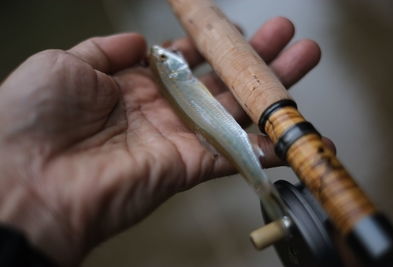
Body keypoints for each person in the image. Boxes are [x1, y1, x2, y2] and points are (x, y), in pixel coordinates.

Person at [0, 17, 324, 266]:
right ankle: (267, 194)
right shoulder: (169, 68)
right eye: (166, 60)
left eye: (166, 59)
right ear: (175, 67)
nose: (168, 58)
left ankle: (267, 194)